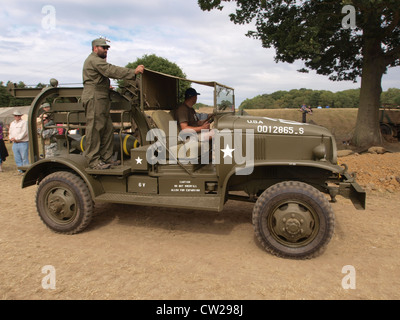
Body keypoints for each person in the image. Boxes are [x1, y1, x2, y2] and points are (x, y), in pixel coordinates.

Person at [82, 37, 145, 169]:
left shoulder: (97, 61)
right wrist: (132, 71)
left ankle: (106, 158)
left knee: (107, 129)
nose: (106, 50)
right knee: (95, 128)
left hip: (101, 97)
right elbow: (111, 70)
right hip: (95, 97)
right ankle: (93, 161)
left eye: (107, 48)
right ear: (95, 48)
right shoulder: (94, 60)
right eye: (103, 47)